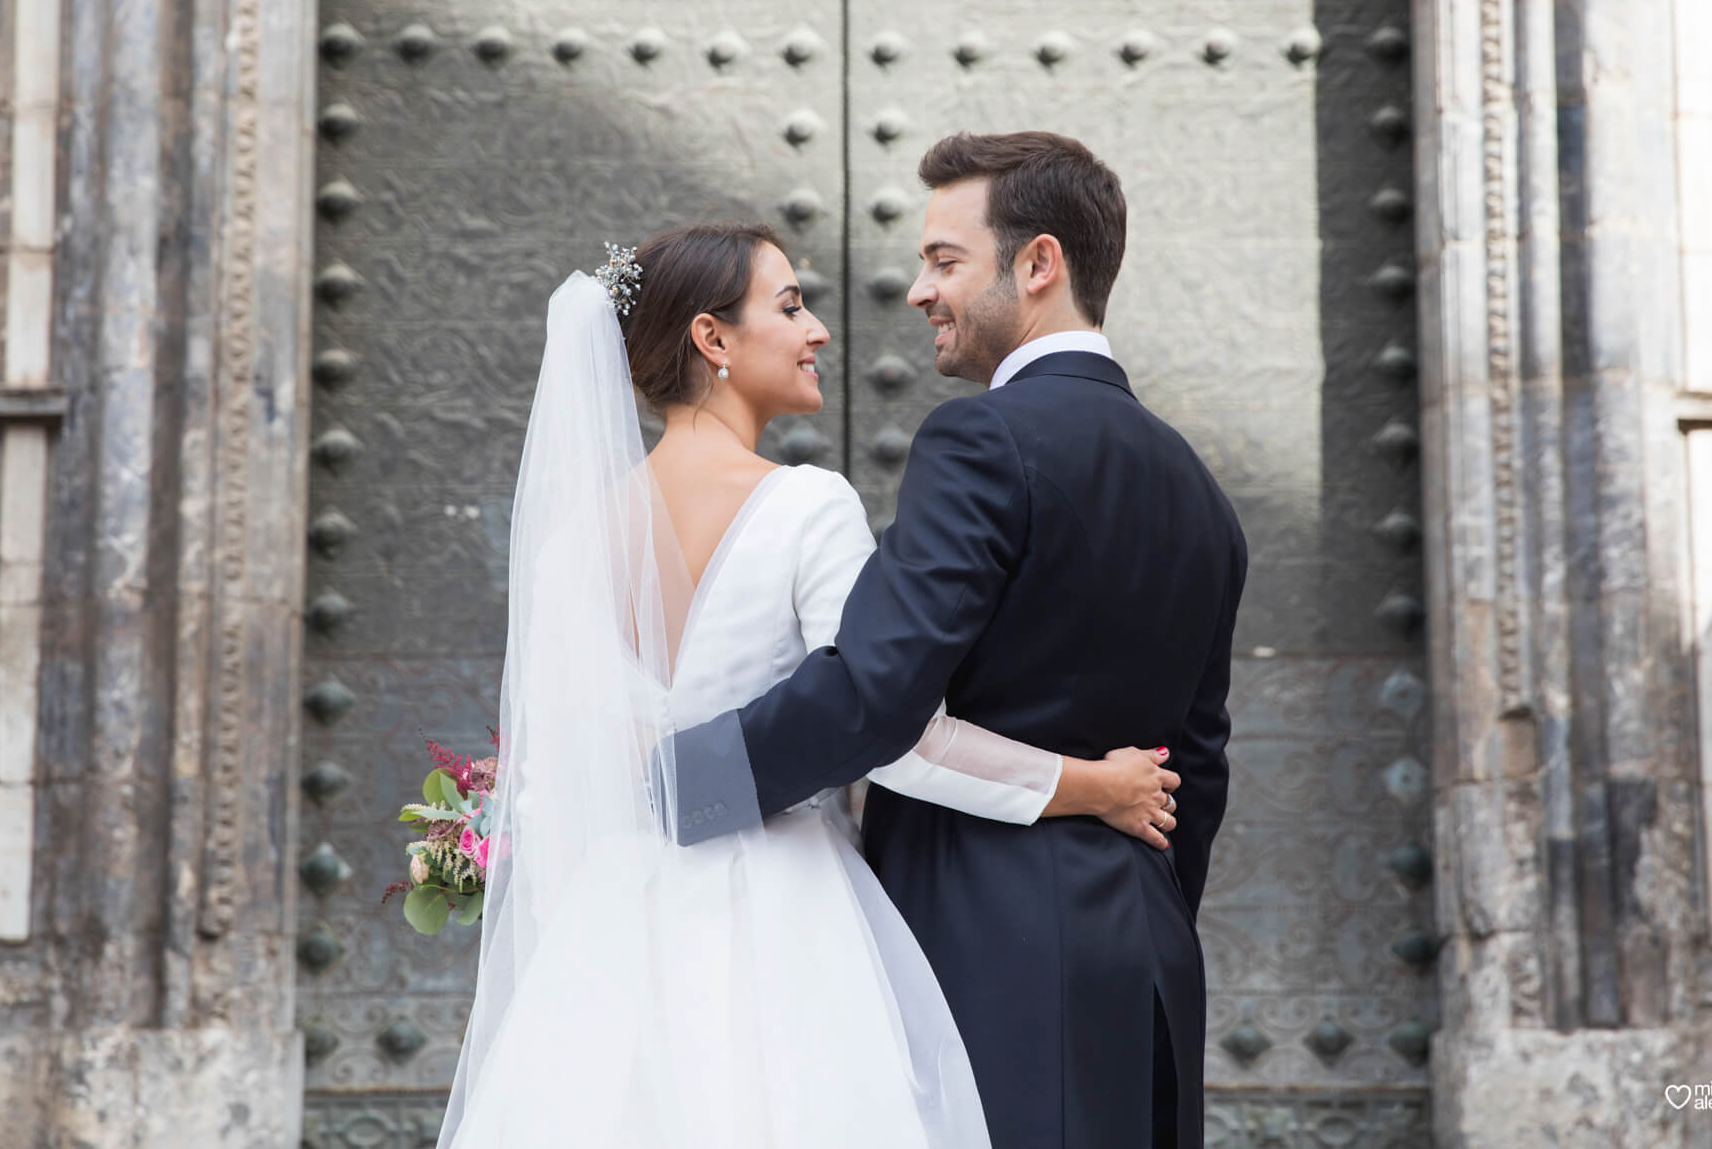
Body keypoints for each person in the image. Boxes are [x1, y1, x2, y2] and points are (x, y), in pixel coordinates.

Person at [435, 222, 1181, 1149]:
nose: (820, 329)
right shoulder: (804, 504)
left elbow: (550, 786)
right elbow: (892, 725)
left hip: (612, 939)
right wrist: (1089, 785)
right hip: (788, 924)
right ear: (713, 340)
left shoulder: (571, 539)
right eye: (790, 306)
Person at [664, 133, 1249, 1147]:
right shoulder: (1199, 490)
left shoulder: (981, 439)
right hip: (1148, 955)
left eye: (944, 261)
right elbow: (1194, 764)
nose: (917, 293)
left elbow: (876, 695)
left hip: (991, 947)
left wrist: (677, 782)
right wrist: (1138, 905)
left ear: (1038, 265)